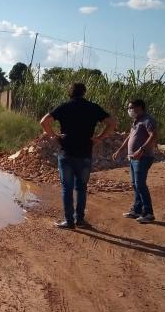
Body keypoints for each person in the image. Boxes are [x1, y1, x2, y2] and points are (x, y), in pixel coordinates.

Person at [40, 83, 117, 229]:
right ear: (84, 93)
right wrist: (99, 138)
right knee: (81, 188)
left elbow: (44, 122)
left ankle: (69, 222)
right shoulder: (93, 107)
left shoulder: (64, 107)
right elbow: (112, 123)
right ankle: (80, 220)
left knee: (67, 189)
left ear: (70, 93)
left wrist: (55, 136)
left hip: (66, 153)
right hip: (85, 153)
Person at [112, 99, 157, 224]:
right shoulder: (136, 121)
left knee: (140, 184)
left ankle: (148, 213)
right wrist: (120, 150)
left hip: (143, 157)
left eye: (131, 107)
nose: (129, 110)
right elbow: (129, 137)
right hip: (133, 158)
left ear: (140, 107)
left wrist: (141, 150)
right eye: (128, 108)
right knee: (135, 184)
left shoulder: (147, 120)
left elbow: (153, 135)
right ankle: (136, 210)